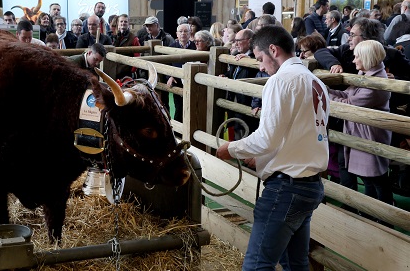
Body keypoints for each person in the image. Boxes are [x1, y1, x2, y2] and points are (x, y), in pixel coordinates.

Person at [217, 25, 329, 271]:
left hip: (286, 188)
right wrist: (264, 158)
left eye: (260, 59)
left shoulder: (280, 81)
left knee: (257, 264)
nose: (260, 66)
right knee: (295, 264)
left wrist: (231, 149)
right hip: (309, 184)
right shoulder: (315, 82)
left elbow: (266, 137)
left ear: (273, 49)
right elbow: (298, 135)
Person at [327, 40, 394, 207]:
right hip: (362, 133)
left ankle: (384, 217)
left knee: (375, 178)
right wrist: (325, 89)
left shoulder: (376, 82)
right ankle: (371, 214)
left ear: (367, 58)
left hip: (370, 136)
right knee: (370, 179)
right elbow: (345, 95)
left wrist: (325, 95)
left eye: (357, 57)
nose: (353, 60)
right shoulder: (368, 75)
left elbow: (349, 103)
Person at [167, 24, 195, 122]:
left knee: (191, 107)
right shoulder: (171, 47)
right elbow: (167, 65)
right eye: (181, 31)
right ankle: (177, 133)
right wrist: (169, 76)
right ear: (177, 34)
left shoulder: (195, 46)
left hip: (192, 82)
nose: (183, 34)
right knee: (179, 108)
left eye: (185, 31)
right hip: (177, 82)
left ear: (190, 33)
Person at [113, 14, 141, 79]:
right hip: (113, 70)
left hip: (127, 72)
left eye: (125, 22)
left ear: (128, 24)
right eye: (121, 21)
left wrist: (132, 70)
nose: (123, 23)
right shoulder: (113, 37)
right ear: (118, 23)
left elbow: (137, 55)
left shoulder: (133, 38)